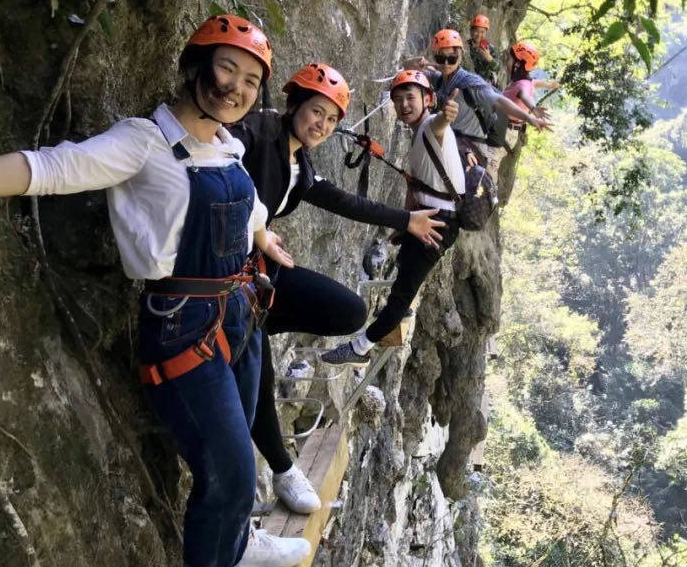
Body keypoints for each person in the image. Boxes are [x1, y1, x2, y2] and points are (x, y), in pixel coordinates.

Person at [0, 15, 309, 567]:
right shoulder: (143, 143)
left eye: (250, 80)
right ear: (195, 67)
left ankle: (237, 542)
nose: (236, 88)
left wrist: (262, 234)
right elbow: (46, 168)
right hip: (184, 326)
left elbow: (249, 210)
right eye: (226, 68)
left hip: (238, 310)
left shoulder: (228, 145)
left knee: (241, 437)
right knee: (232, 471)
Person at [229, 62, 446, 513]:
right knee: (258, 375)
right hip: (228, 277)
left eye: (330, 120)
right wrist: (258, 230)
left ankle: (250, 331)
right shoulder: (256, 133)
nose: (322, 125)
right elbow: (221, 158)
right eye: (316, 112)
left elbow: (346, 202)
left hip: (259, 276)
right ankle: (282, 468)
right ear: (294, 105)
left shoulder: (298, 165)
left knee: (347, 311)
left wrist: (406, 219)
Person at [320, 70, 462, 366]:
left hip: (438, 223)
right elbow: (418, 185)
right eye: (397, 100)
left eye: (410, 98)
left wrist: (447, 115)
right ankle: (395, 316)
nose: (404, 105)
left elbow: (439, 124)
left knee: (402, 292)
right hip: (428, 215)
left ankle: (361, 347)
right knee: (404, 274)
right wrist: (404, 223)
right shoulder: (419, 133)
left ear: (428, 99)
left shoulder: (430, 128)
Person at [406, 29, 551, 168]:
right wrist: (415, 62)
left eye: (451, 59)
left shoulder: (471, 84)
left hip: (472, 145)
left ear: (460, 56)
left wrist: (530, 117)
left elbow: (500, 101)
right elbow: (408, 69)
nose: (445, 64)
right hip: (453, 139)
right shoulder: (439, 79)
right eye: (440, 58)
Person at [501, 41, 553, 130]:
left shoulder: (522, 85)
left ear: (517, 64)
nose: (507, 60)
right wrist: (549, 85)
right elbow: (537, 83)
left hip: (503, 127)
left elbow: (523, 94)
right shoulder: (528, 82)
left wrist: (533, 109)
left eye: (510, 59)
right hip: (507, 126)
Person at [466, 13, 500, 83]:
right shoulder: (465, 45)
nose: (479, 34)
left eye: (482, 32)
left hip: (483, 83)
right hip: (467, 80)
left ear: (486, 33)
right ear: (471, 31)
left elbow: (497, 68)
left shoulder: (490, 48)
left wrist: (489, 59)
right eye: (476, 31)